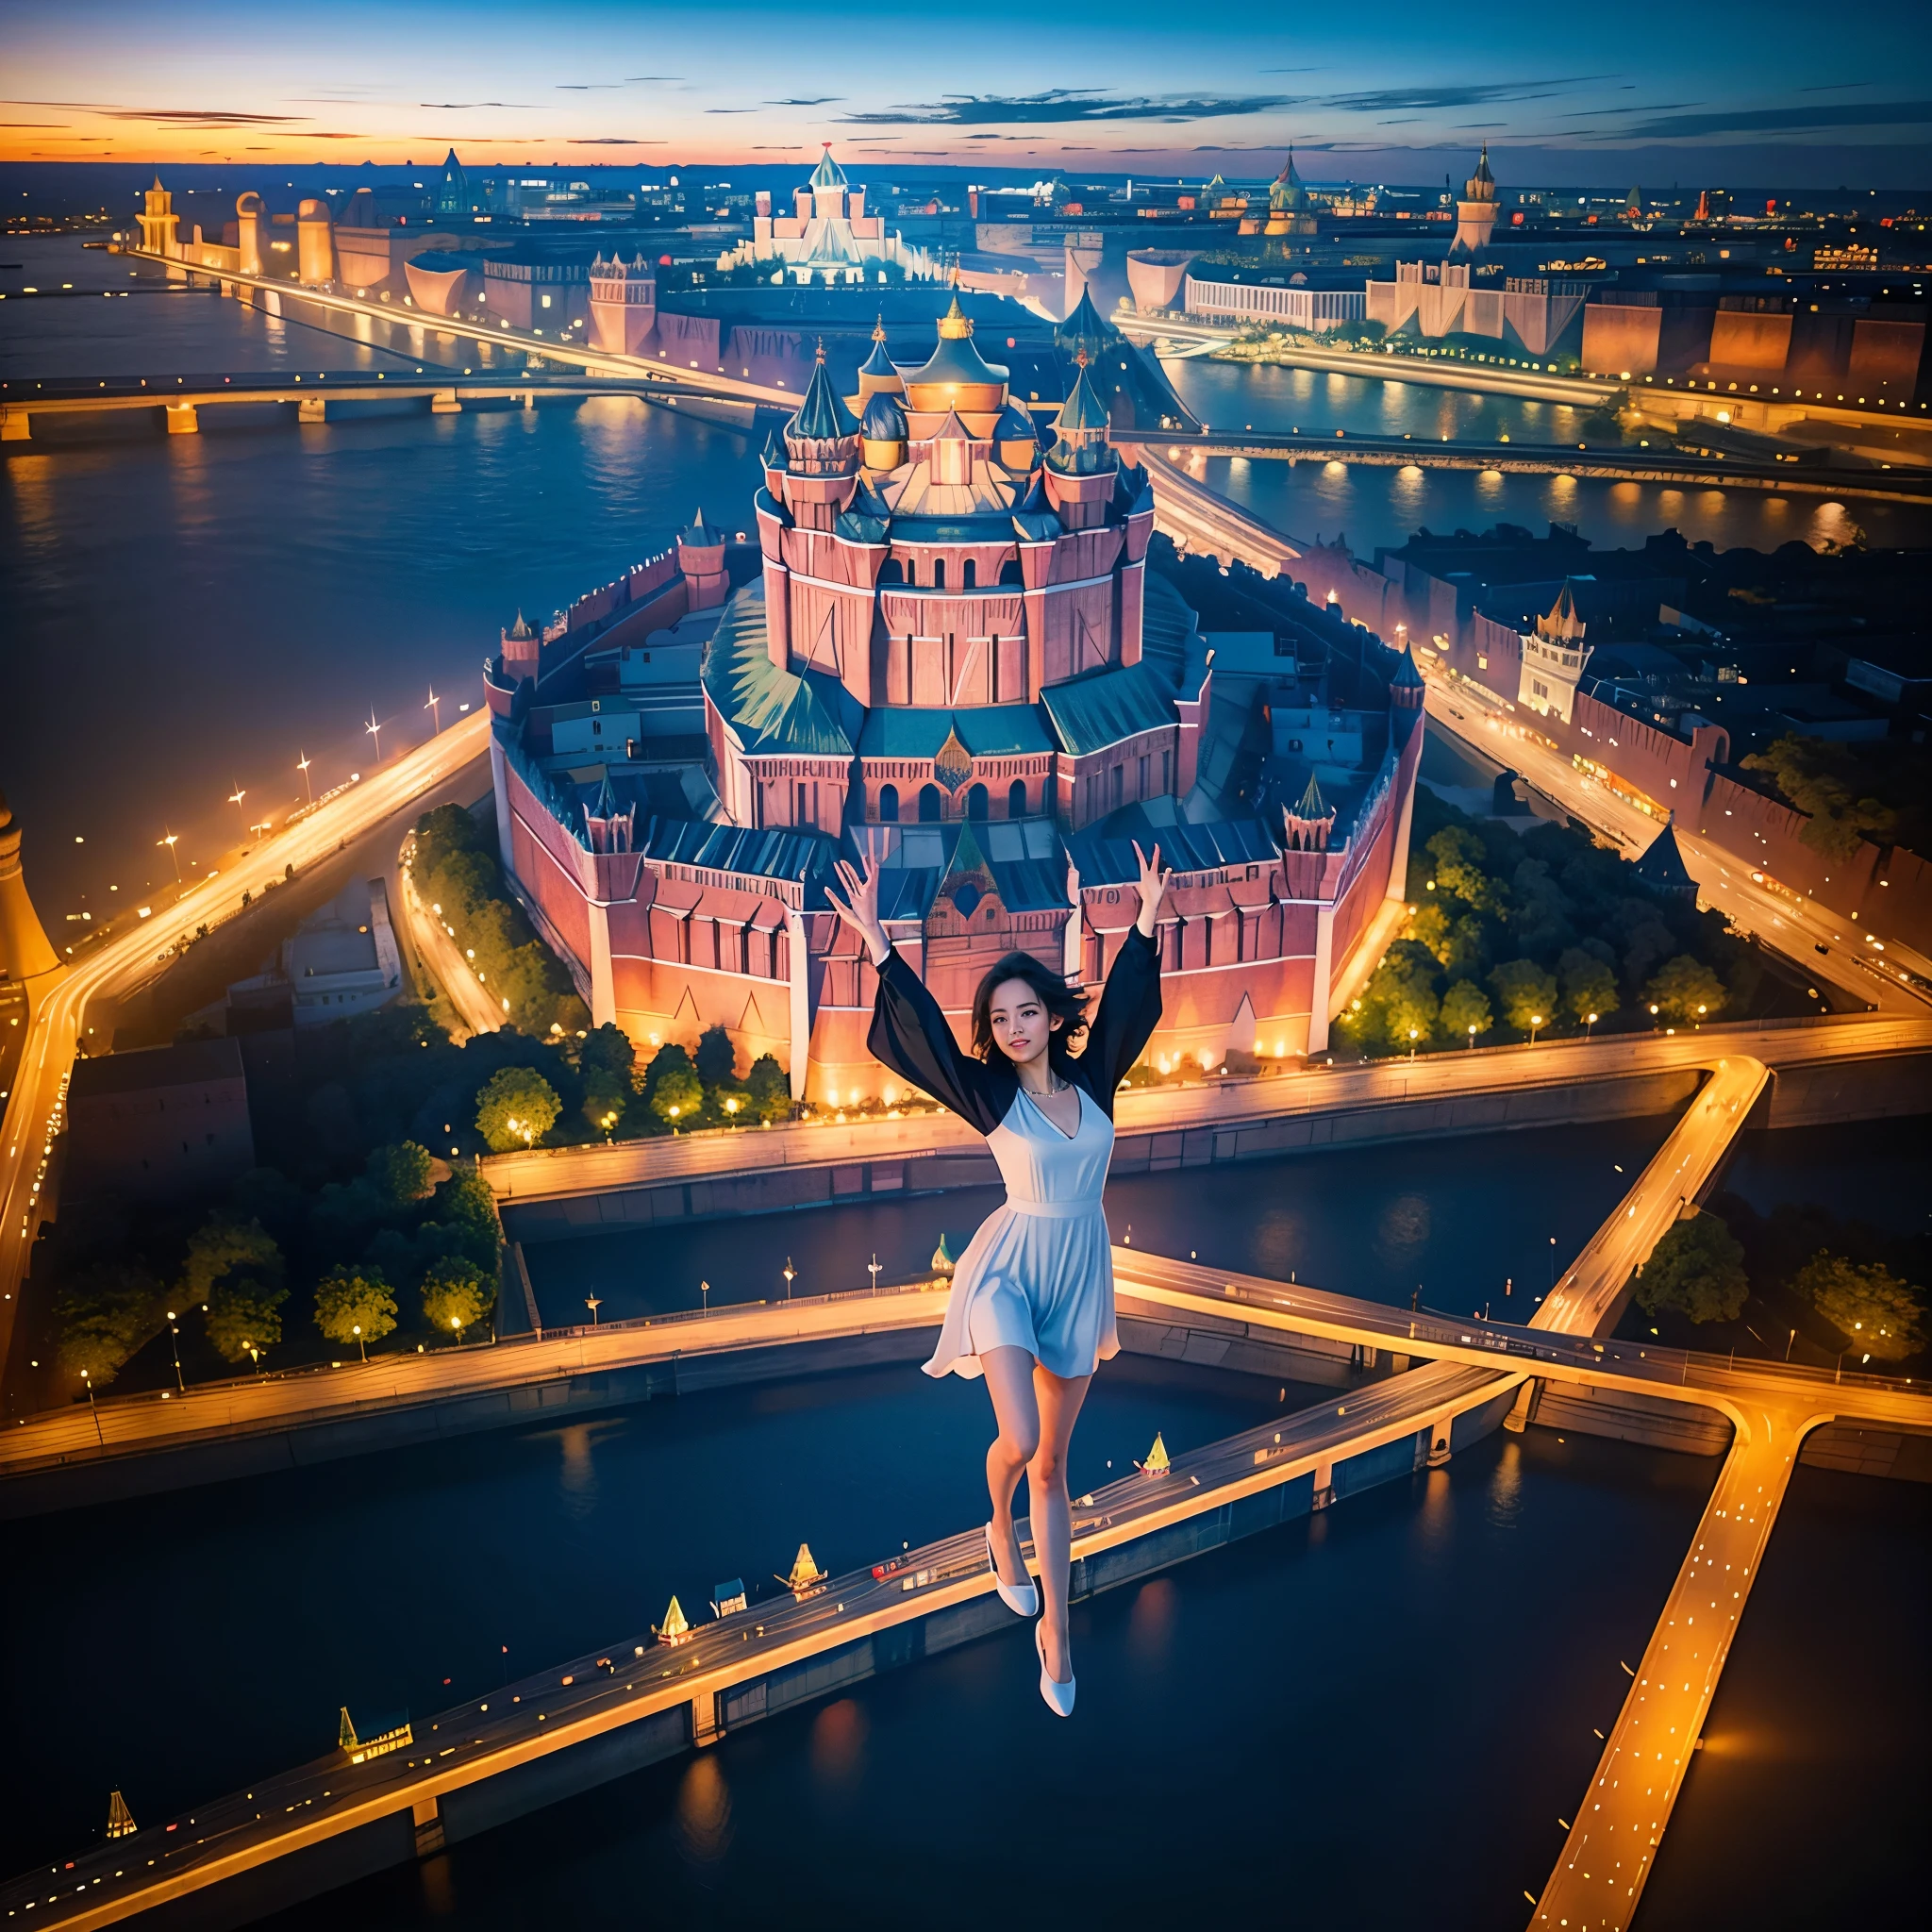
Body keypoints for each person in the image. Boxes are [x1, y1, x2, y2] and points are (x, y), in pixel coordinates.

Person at [826, 842, 1171, 1716]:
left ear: (1053, 1016)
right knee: (1018, 1438)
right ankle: (995, 1526)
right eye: (1002, 1017)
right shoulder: (990, 1096)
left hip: (1081, 1275)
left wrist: (1147, 919)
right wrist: (877, 942)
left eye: (1028, 1012)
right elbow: (928, 1042)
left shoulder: (1096, 1081)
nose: (1016, 1027)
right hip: (1008, 1273)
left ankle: (1056, 1629)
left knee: (1055, 1468)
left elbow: (1130, 1005)